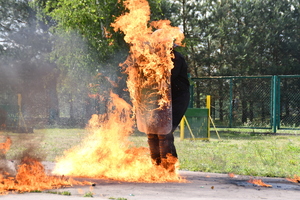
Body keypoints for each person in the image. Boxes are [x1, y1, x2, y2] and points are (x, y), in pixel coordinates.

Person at [147, 46, 190, 171]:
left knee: (164, 131)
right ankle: (157, 167)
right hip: (161, 99)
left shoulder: (175, 58)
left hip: (177, 99)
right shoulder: (155, 58)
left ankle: (169, 169)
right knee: (152, 131)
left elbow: (167, 78)